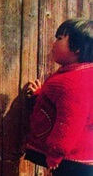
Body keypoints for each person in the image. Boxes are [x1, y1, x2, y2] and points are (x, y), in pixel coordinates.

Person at [23, 18, 93, 175]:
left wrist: (56, 153)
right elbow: (67, 105)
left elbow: (70, 122)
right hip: (82, 157)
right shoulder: (83, 74)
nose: (54, 43)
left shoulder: (72, 82)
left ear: (77, 49)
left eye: (60, 38)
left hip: (71, 161)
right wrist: (41, 97)